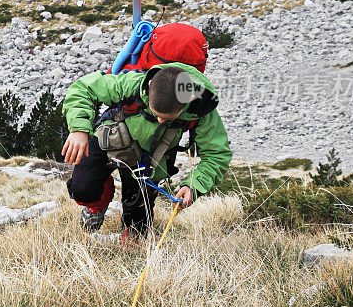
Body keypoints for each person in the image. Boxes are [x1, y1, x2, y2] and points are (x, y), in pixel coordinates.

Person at [61, 63, 231, 242]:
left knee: (136, 235)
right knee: (82, 189)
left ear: (187, 101)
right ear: (149, 87)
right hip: (110, 139)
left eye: (166, 119)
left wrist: (193, 186)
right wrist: (79, 129)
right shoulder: (133, 83)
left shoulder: (202, 111)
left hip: (151, 160)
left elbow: (216, 155)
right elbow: (84, 88)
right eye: (156, 113)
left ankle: (132, 233)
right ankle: (97, 206)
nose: (159, 120)